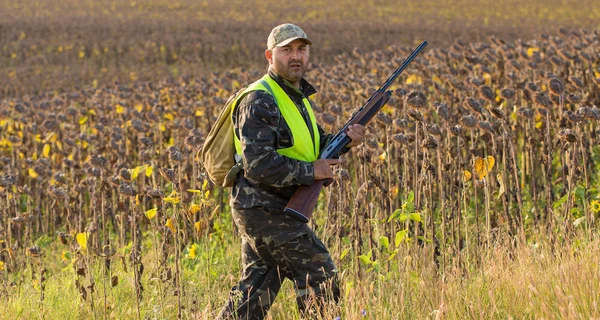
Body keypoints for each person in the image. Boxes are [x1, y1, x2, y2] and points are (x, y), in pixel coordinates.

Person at [218, 23, 366, 320]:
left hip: (275, 207)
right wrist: (313, 171)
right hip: (264, 208)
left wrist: (345, 141)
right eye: (287, 50)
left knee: (255, 291)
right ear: (270, 56)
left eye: (301, 49)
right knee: (319, 270)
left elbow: (312, 147)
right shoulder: (259, 98)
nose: (295, 56)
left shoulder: (296, 99)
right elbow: (258, 164)